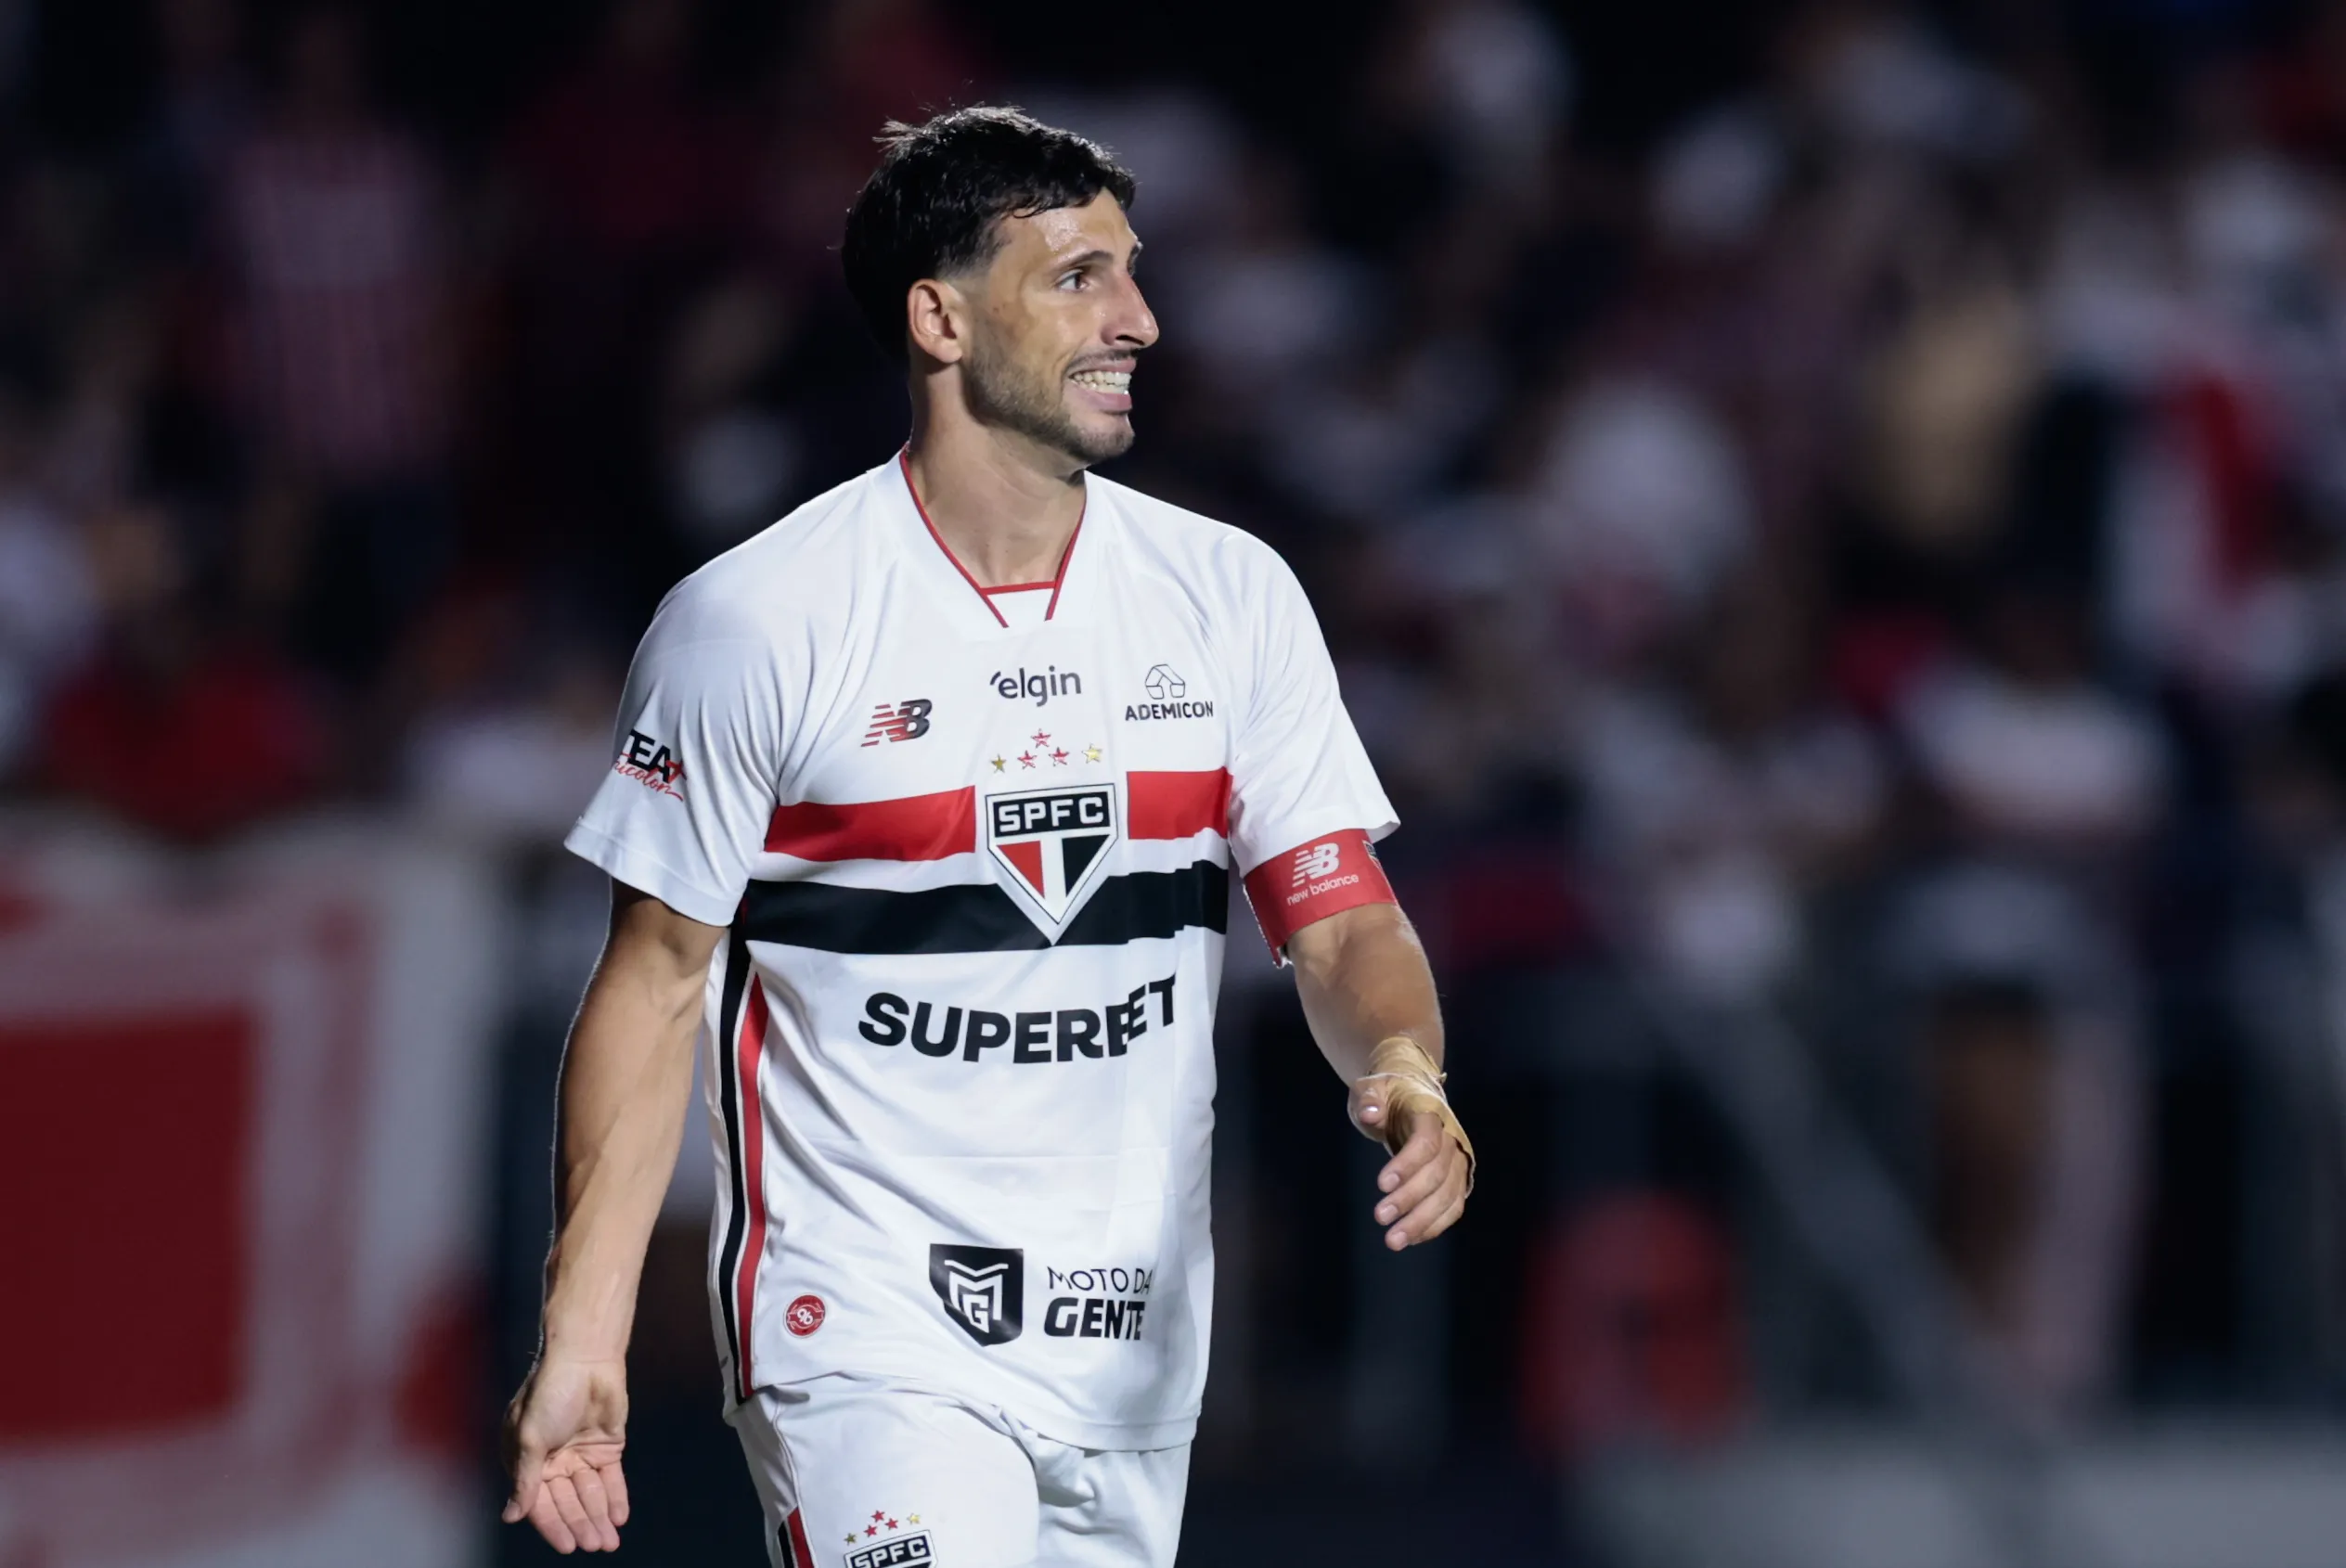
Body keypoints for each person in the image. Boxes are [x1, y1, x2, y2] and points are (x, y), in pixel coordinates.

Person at [498, 106, 1474, 1567]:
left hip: (1132, 1358)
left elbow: (1339, 918)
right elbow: (652, 984)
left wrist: (1406, 1062)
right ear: (939, 319)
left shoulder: (1230, 595)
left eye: (1133, 273)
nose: (1139, 319)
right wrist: (584, 1336)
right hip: (866, 1337)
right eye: (1079, 277)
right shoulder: (759, 620)